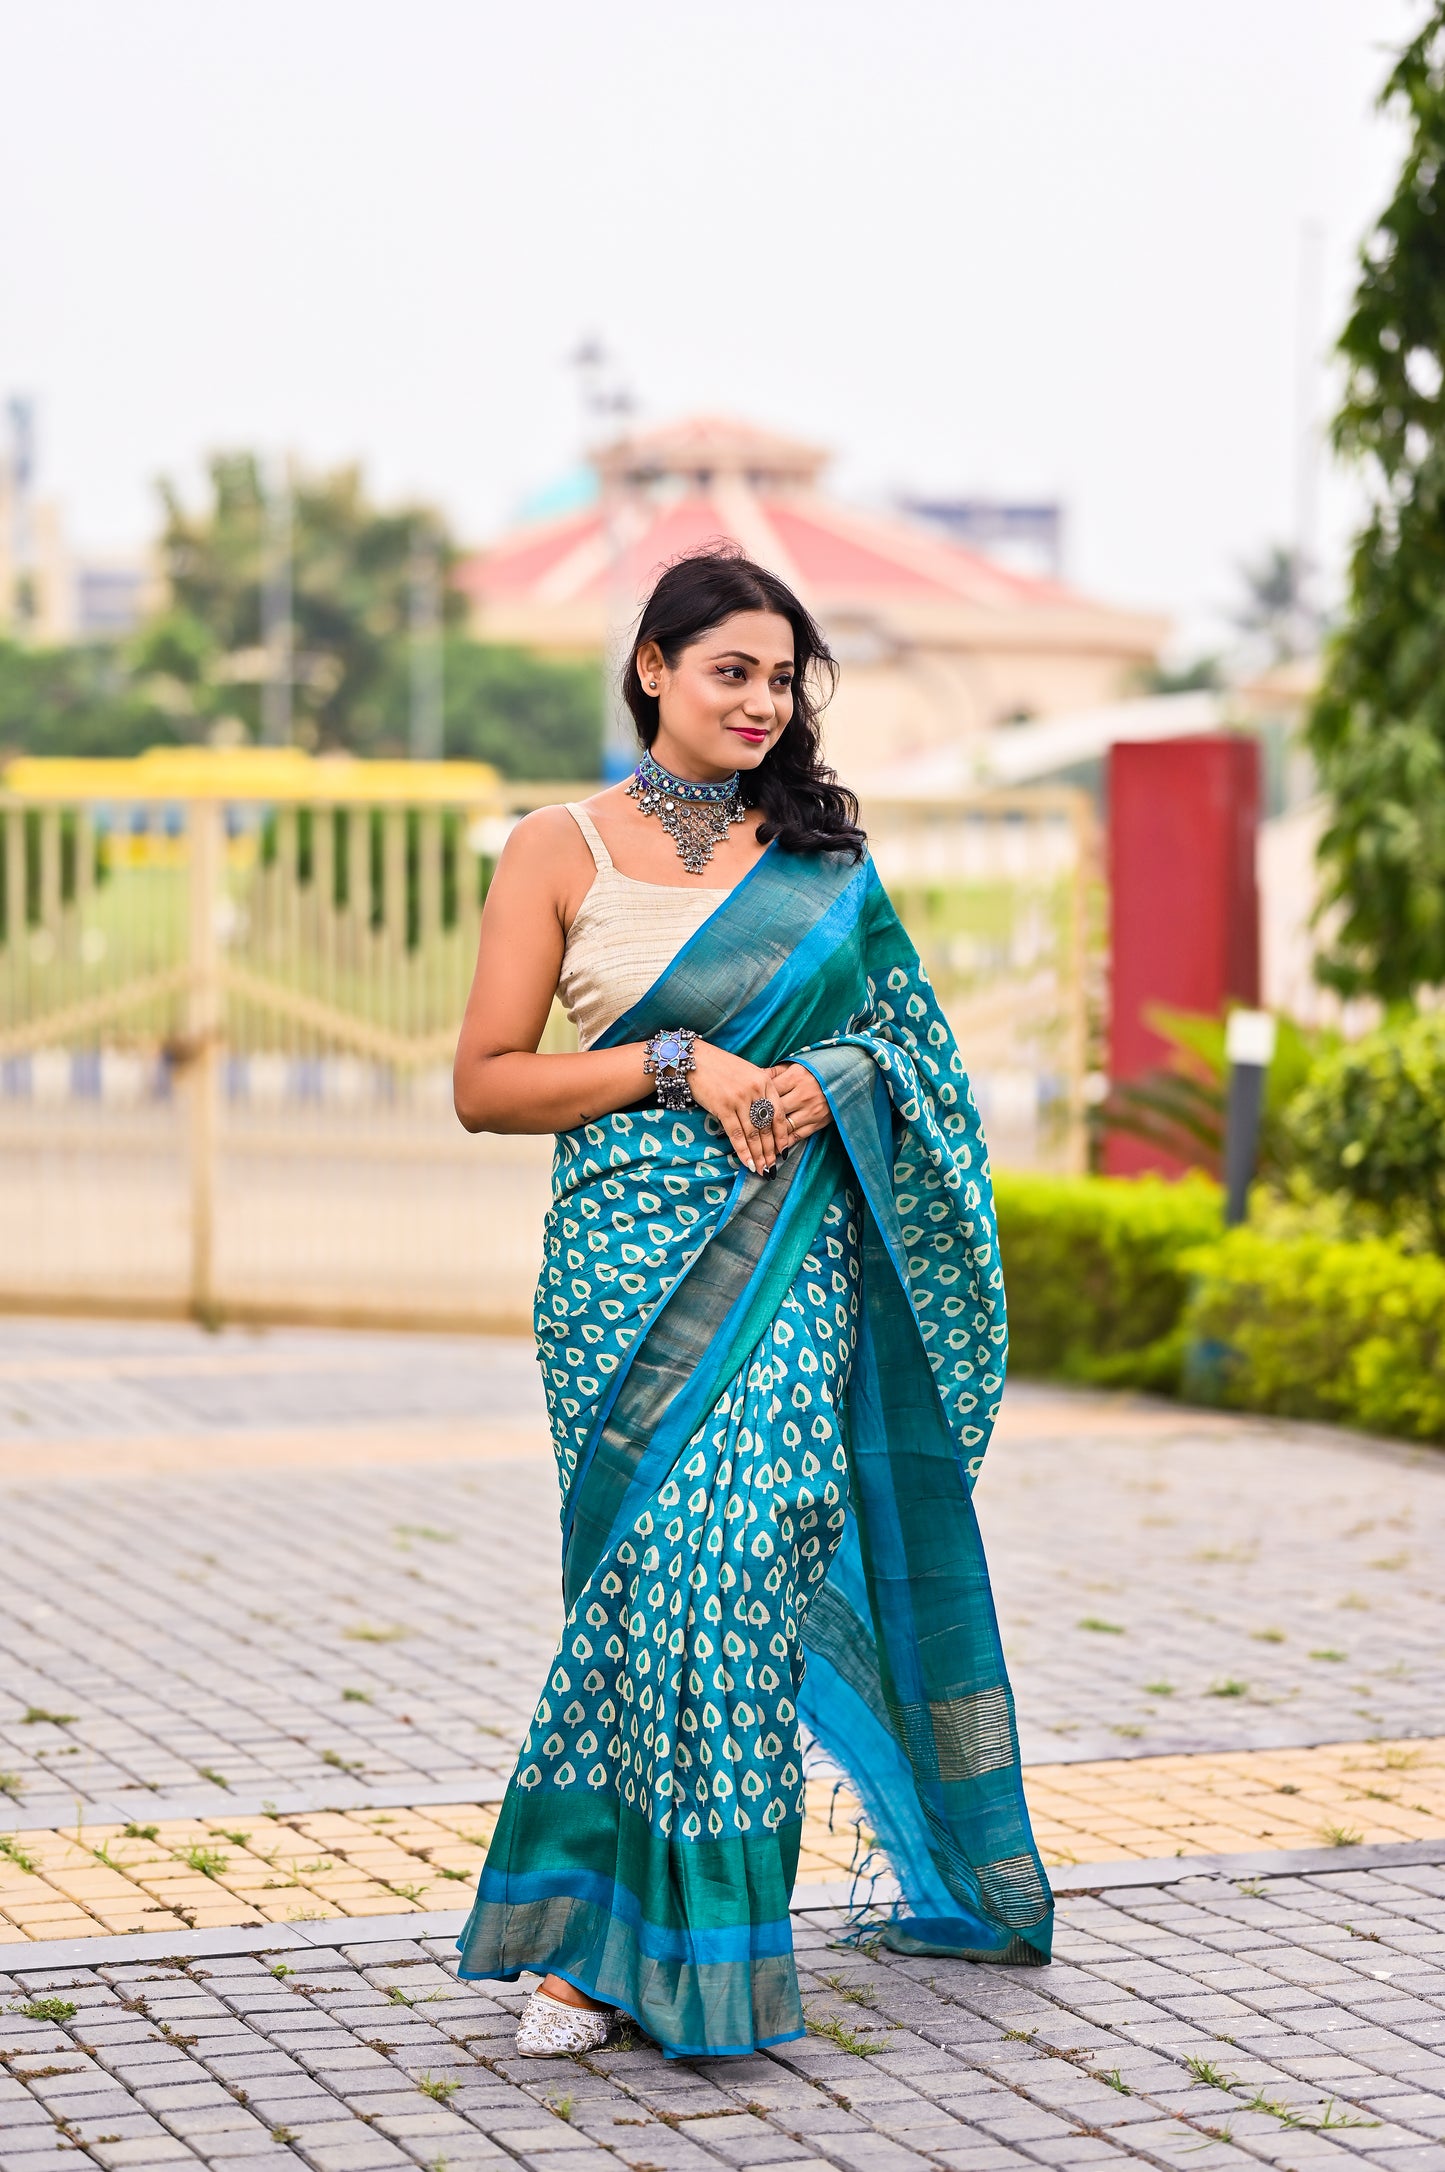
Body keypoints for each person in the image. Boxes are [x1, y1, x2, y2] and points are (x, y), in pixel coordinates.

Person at [452, 547, 1051, 2062]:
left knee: (735, 1574)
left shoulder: (829, 873)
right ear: (651, 668)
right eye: (731, 671)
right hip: (617, 1278)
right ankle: (601, 1949)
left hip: (789, 1267)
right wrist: (676, 1063)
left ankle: (697, 1947)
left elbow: (914, 1062)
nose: (762, 704)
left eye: (784, 680)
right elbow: (487, 1084)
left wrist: (824, 1077)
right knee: (646, 1593)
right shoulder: (554, 848)